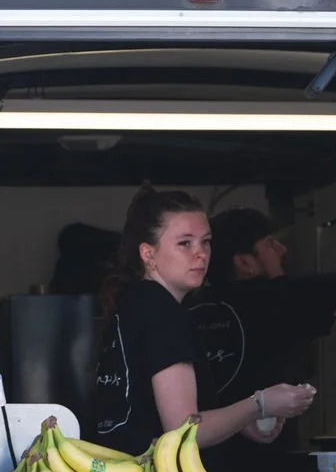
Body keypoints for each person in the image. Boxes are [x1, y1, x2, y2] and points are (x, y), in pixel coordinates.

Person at [91, 185, 317, 457]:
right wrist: (260, 404)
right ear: (148, 254)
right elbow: (184, 430)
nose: (200, 253)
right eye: (184, 243)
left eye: (205, 241)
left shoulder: (135, 303)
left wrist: (243, 422)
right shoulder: (162, 312)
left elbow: (146, 406)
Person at [187, 205, 336, 472]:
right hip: (266, 470)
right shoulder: (274, 300)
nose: (282, 249)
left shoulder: (189, 306)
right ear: (246, 262)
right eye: (270, 244)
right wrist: (278, 279)